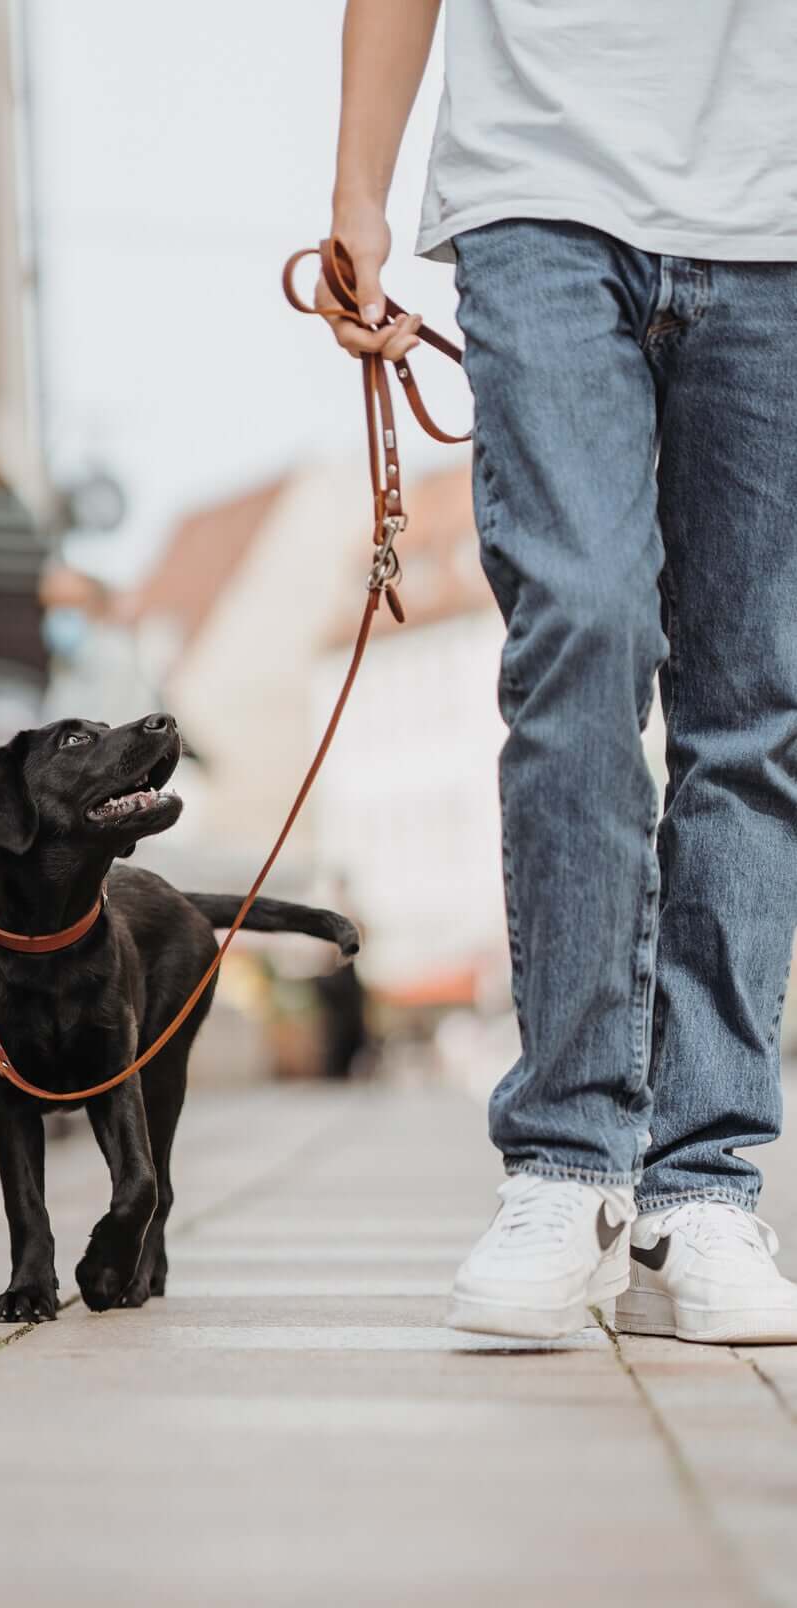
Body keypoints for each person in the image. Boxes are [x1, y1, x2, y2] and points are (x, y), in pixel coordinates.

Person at [323, 0, 797, 1342]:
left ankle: (701, 1186)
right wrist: (357, 185)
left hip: (776, 210)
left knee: (750, 704)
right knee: (580, 630)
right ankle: (567, 1164)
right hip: (538, 186)